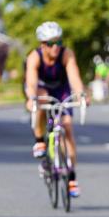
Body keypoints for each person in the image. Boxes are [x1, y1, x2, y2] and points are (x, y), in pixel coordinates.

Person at [24, 21, 88, 198]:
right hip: (41, 89)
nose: (56, 47)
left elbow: (74, 77)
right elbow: (31, 82)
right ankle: (40, 141)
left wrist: (81, 95)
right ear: (42, 45)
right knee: (41, 99)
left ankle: (72, 178)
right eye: (51, 43)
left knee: (67, 127)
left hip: (61, 90)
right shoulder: (34, 57)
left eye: (59, 42)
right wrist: (31, 98)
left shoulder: (67, 54)